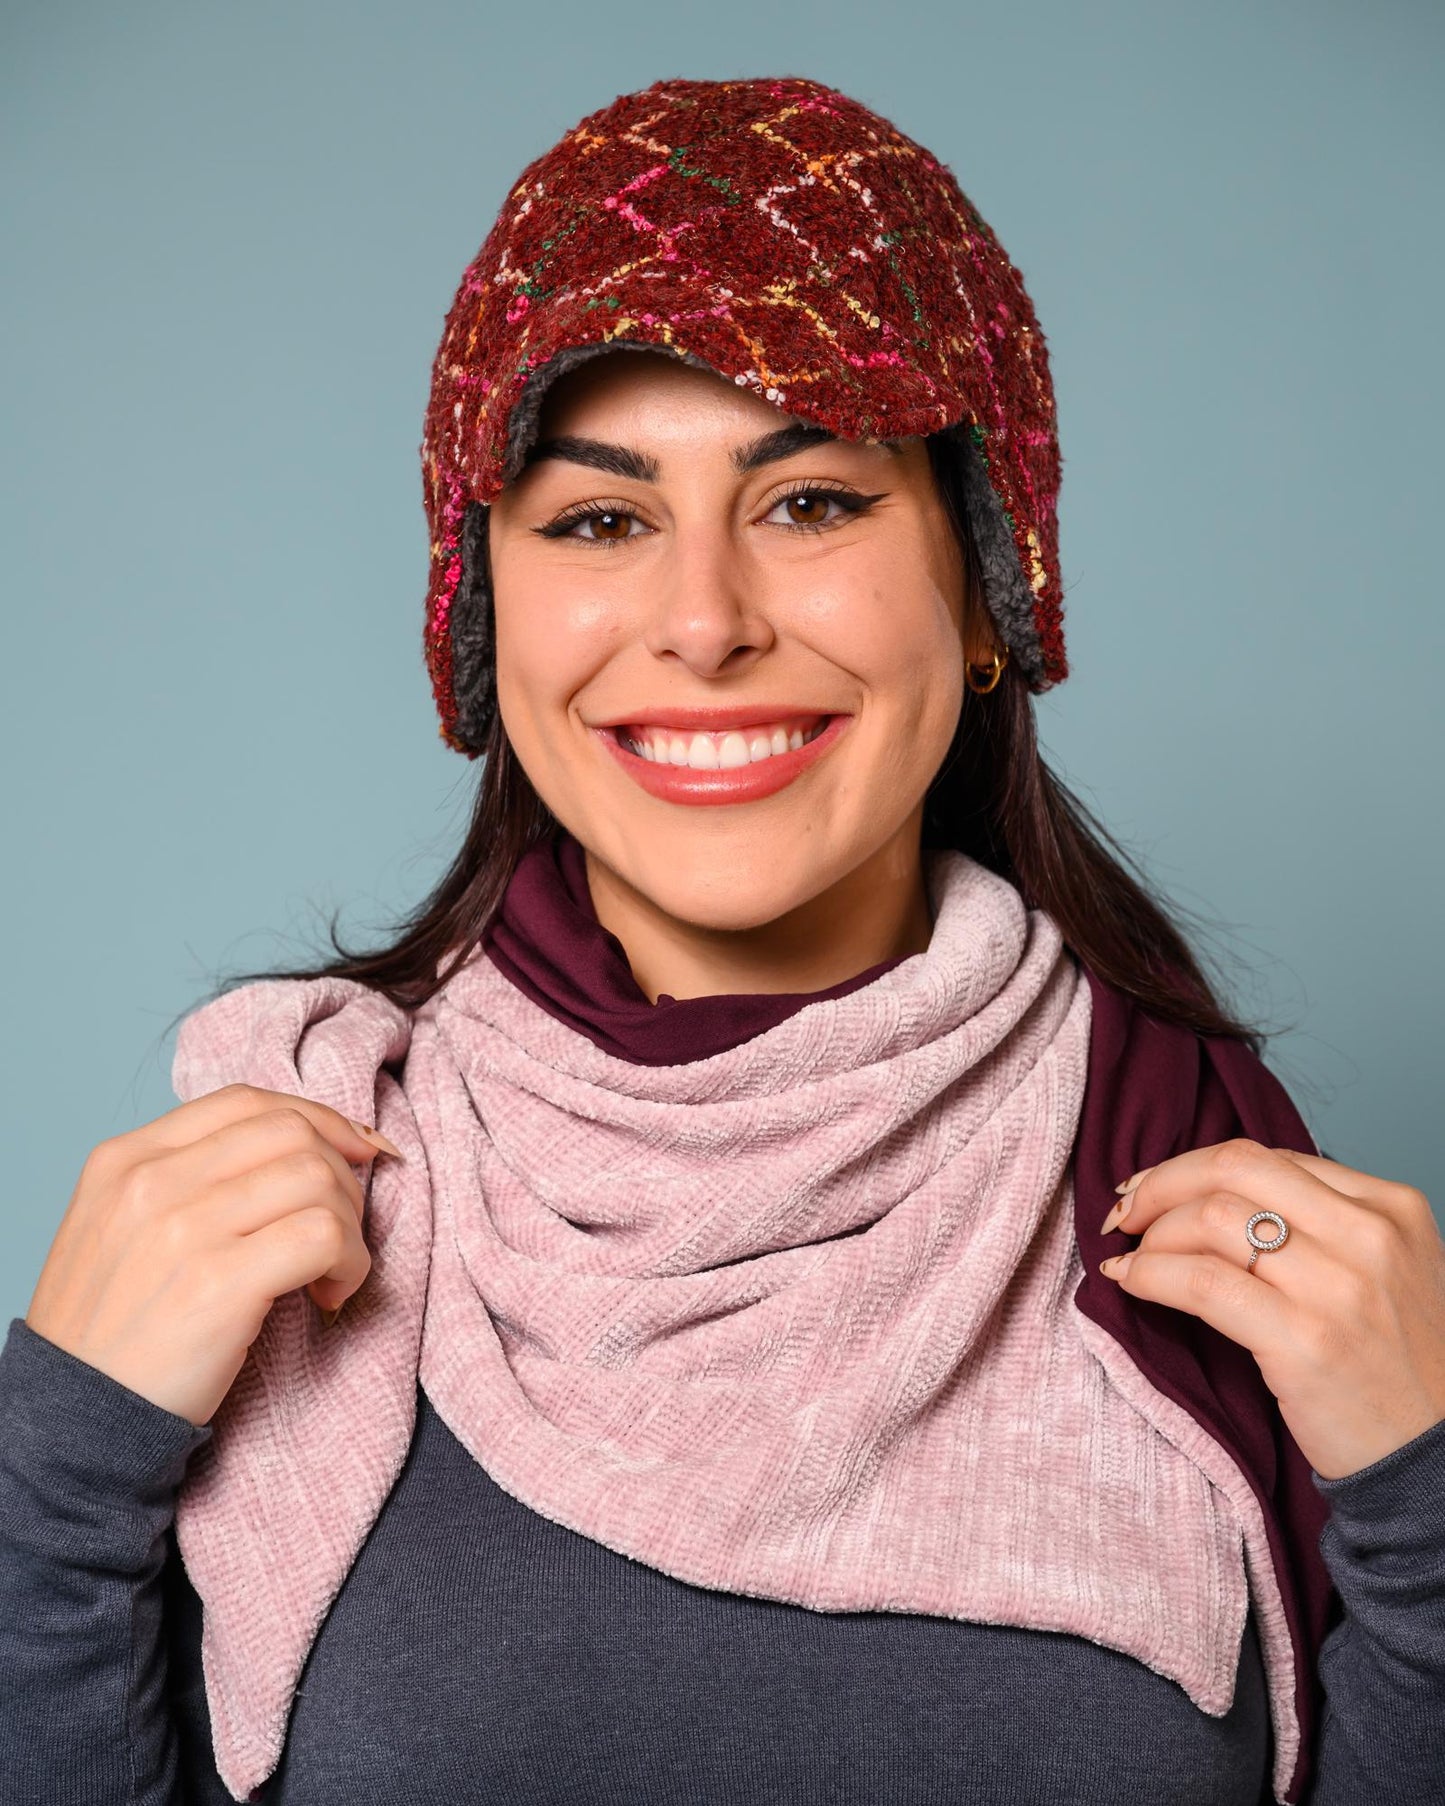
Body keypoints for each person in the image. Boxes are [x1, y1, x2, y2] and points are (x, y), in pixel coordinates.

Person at [3, 74, 1443, 1806]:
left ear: (984, 588)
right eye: (600, 518)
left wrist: (1428, 1497)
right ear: (488, 618)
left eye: (813, 501)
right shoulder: (293, 1173)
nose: (702, 623)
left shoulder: (1221, 1205)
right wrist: (60, 1460)